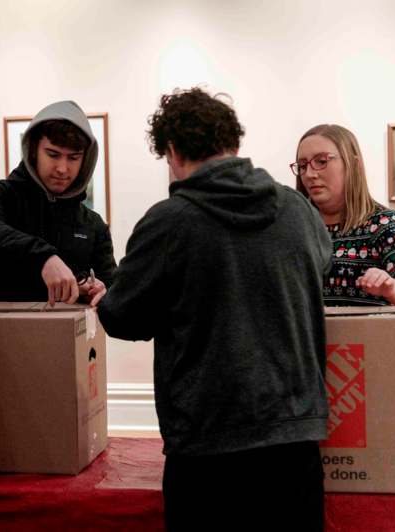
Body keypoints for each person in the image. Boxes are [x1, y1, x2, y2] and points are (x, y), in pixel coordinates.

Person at [97, 88, 331, 531]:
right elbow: (319, 265)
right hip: (295, 442)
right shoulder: (298, 210)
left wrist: (107, 298)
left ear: (171, 151)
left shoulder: (169, 221)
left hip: (207, 450)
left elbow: (122, 317)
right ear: (235, 145)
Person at [0, 100, 116, 306]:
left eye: (73, 158)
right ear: (34, 149)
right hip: (3, 333)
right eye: (53, 155)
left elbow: (112, 291)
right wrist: (44, 257)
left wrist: (101, 291)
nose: (62, 168)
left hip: (70, 336)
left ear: (85, 160)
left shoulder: (93, 225)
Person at [293, 124, 395, 305]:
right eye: (302, 165)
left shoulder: (386, 225)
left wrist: (389, 287)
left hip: (367, 334)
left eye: (321, 161)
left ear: (353, 164)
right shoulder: (295, 229)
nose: (309, 174)